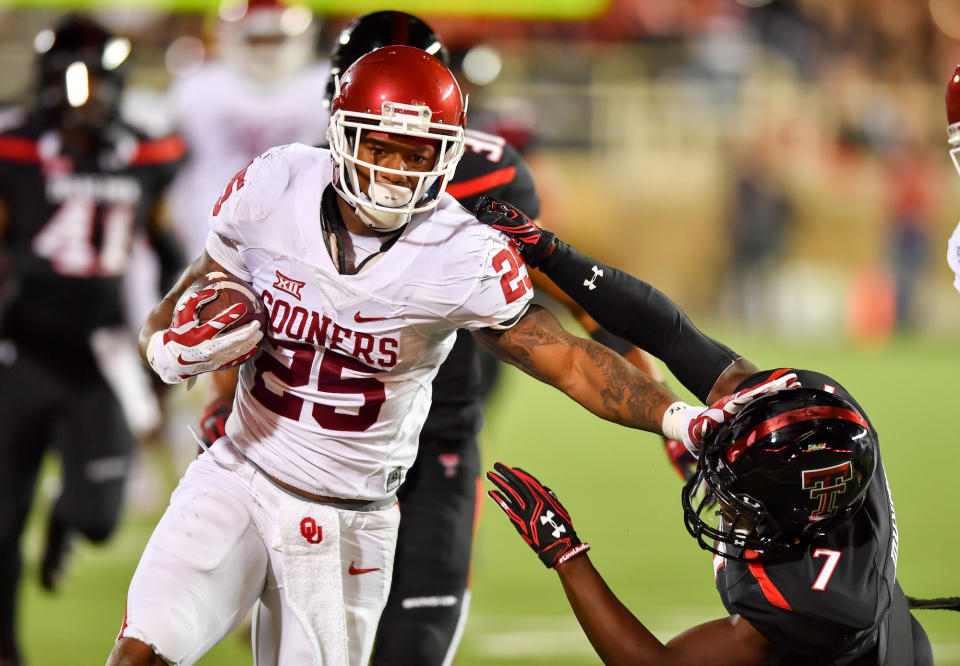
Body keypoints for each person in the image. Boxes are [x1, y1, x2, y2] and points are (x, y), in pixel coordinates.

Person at [105, 46, 793, 666]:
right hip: (237, 472)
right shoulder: (273, 184)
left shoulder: (460, 252)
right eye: (383, 147)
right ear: (344, 135)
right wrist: (164, 345)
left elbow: (571, 360)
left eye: (419, 153)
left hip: (348, 515)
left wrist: (684, 421)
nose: (399, 173)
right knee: (142, 651)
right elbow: (189, 296)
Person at [194, 11, 668, 665]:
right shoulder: (289, 181)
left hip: (435, 440)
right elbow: (238, 306)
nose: (394, 148)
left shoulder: (487, 178)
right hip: (305, 458)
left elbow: (572, 308)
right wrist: (223, 403)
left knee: (413, 649)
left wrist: (667, 406)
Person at [477, 196, 943, 665]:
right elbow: (670, 332)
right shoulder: (816, 413)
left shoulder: (807, 608)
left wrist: (566, 553)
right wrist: (553, 254)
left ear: (785, 523)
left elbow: (656, 664)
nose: (722, 497)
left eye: (736, 492)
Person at [0, 14, 185, 666]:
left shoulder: (145, 153)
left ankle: (66, 516)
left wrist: (163, 318)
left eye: (99, 85)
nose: (89, 98)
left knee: (101, 518)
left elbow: (165, 248)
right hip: (20, 351)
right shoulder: (15, 147)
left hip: (101, 351)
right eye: (76, 84)